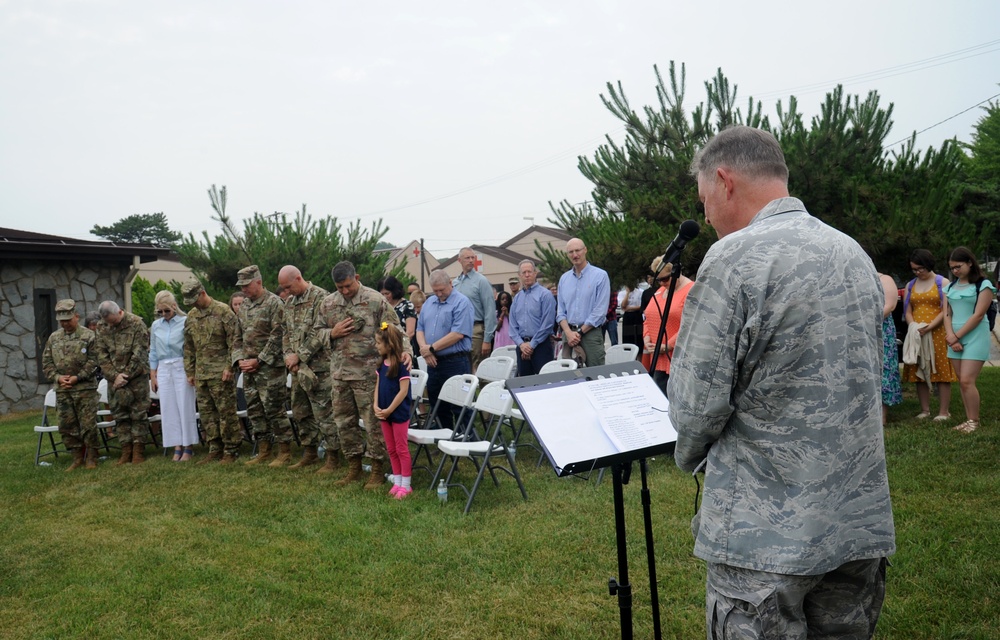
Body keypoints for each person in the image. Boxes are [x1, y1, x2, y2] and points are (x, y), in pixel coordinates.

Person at [668, 126, 895, 638]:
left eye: (704, 200)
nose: (704, 216)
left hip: (763, 537)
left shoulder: (733, 259)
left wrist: (686, 455)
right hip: (855, 526)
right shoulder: (853, 254)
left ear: (724, 181)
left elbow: (695, 407)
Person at [315, 261, 410, 489]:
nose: (345, 291)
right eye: (340, 288)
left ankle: (377, 469)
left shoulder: (375, 300)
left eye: (348, 286)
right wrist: (331, 332)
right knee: (345, 423)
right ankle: (354, 467)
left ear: (356, 277)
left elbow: (395, 328)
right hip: (339, 374)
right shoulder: (328, 304)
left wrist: (405, 350)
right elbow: (316, 332)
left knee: (373, 423)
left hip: (369, 374)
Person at [278, 265, 338, 471]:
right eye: (283, 289)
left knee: (324, 413)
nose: (286, 292)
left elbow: (320, 333)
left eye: (288, 287)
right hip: (296, 369)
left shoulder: (322, 298)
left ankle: (332, 456)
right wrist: (288, 356)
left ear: (298, 278)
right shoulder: (289, 303)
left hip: (319, 368)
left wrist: (299, 355)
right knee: (300, 411)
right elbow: (284, 331)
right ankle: (310, 452)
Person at [233, 265, 294, 466]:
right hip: (248, 368)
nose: (243, 290)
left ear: (258, 282)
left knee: (274, 408)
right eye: (241, 286)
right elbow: (237, 336)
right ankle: (264, 449)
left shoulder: (274, 303)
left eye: (246, 285)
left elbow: (278, 335)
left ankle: (284, 451)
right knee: (255, 410)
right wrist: (239, 359)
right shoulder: (244, 306)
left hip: (269, 368)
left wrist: (259, 360)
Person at [183, 281, 242, 464]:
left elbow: (235, 342)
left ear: (202, 293)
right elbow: (188, 346)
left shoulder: (223, 311)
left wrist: (229, 367)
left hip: (220, 373)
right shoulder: (191, 316)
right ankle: (214, 448)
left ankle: (231, 449)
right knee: (207, 414)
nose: (192, 304)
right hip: (201, 374)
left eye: (194, 299)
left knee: (226, 413)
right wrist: (190, 371)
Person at [41, 299, 100, 471]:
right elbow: (46, 362)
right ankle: (76, 456)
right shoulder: (54, 338)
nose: (65, 324)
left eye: (68, 320)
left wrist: (78, 377)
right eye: (62, 321)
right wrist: (58, 377)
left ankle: (91, 456)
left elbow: (94, 360)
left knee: (88, 425)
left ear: (77, 316)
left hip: (85, 389)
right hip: (63, 390)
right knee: (67, 426)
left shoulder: (89, 336)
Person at [944, 246, 996, 434]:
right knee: (961, 381)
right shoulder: (950, 287)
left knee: (967, 380)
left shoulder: (983, 285)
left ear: (969, 263)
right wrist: (951, 337)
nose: (955, 271)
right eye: (952, 268)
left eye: (958, 266)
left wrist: (957, 336)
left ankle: (974, 421)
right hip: (954, 338)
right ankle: (968, 419)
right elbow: (947, 314)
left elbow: (978, 315)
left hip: (975, 336)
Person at [95, 300, 152, 465]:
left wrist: (124, 375)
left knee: (138, 414)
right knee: (120, 415)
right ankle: (126, 450)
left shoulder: (136, 324)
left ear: (119, 312)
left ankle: (138, 451)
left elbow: (140, 353)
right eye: (108, 322)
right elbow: (101, 354)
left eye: (113, 321)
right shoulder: (102, 326)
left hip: (136, 378)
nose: (111, 325)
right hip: (114, 380)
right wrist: (114, 376)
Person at [902, 249, 956, 420]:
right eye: (914, 269)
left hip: (937, 332)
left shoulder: (943, 282)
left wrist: (930, 326)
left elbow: (945, 308)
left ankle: (943, 411)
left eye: (920, 269)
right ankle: (925, 410)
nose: (918, 272)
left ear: (928, 265)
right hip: (917, 332)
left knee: (940, 371)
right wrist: (913, 326)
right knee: (920, 370)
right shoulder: (910, 285)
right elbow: (908, 309)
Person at [417, 269, 474, 430]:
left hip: (455, 360)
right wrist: (424, 349)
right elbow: (419, 328)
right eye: (435, 291)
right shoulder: (429, 302)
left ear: (450, 283)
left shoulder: (461, 302)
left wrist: (432, 348)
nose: (439, 293)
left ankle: (467, 436)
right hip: (433, 361)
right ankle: (443, 434)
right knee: (437, 402)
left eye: (442, 289)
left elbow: (457, 334)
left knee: (459, 402)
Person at [150, 291, 198, 461]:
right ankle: (176, 444)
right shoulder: (156, 325)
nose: (164, 314)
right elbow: (153, 350)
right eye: (160, 312)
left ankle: (188, 445)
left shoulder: (185, 322)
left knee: (184, 406)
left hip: (181, 365)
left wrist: (191, 370)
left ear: (174, 307)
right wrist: (153, 374)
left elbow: (191, 347)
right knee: (168, 407)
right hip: (163, 367)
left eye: (167, 311)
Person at [642, 259, 694, 396]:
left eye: (665, 279)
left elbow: (691, 324)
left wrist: (668, 346)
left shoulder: (692, 290)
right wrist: (646, 338)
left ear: (677, 272)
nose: (662, 283)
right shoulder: (660, 291)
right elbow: (647, 317)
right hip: (658, 358)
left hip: (679, 358)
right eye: (658, 280)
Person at [556, 238, 611, 367]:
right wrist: (569, 333)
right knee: (569, 378)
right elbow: (560, 312)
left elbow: (600, 311)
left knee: (595, 376)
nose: (575, 255)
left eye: (577, 250)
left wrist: (580, 332)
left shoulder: (600, 276)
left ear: (585, 250)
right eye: (571, 252)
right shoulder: (564, 279)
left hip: (590, 334)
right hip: (568, 335)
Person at [373, 322, 413, 499]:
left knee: (401, 448)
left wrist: (389, 409)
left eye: (378, 343)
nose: (376, 346)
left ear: (389, 345)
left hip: (397, 413)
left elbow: (403, 391)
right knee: (391, 448)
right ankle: (397, 481)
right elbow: (378, 385)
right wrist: (376, 405)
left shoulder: (401, 365)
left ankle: (406, 485)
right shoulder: (381, 364)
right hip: (384, 413)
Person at [452, 247, 497, 371]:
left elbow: (490, 311)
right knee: (462, 367)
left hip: (476, 330)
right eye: (467, 258)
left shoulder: (481, 281)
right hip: (458, 331)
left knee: (479, 369)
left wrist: (487, 339)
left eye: (473, 258)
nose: (471, 260)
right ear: (459, 260)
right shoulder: (455, 283)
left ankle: (483, 390)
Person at [508, 259, 556, 376]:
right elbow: (513, 326)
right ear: (520, 276)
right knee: (524, 385)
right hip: (522, 347)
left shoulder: (545, 295)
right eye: (524, 273)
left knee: (545, 384)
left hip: (541, 346)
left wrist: (532, 345)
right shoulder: (517, 298)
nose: (527, 275)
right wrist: (522, 344)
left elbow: (547, 324)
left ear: (535, 273)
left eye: (529, 272)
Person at [878, 273, 903, 425]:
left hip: (881, 328)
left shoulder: (885, 279)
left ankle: (882, 416)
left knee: (884, 370)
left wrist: (867, 320)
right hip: (857, 330)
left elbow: (890, 305)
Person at [379, 275, 419, 358]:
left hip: (403, 350)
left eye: (387, 293)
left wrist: (398, 347)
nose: (384, 297)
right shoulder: (381, 307)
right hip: (385, 351)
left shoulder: (407, 306)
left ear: (394, 291)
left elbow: (410, 332)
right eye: (382, 294)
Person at [620, 281, 645, 350]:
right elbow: (623, 305)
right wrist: (627, 293)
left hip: (637, 315)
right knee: (628, 337)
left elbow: (641, 306)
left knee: (639, 338)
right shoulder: (622, 293)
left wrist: (630, 308)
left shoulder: (640, 292)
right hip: (627, 316)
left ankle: (639, 356)